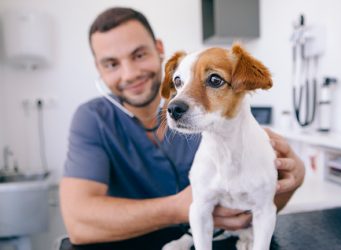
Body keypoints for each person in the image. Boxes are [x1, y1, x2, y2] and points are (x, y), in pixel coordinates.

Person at [60, 6, 305, 250]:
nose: (130, 73)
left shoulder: (227, 125)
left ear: (159, 50)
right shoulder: (93, 119)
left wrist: (295, 176)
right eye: (111, 64)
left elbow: (255, 207)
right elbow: (78, 225)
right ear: (98, 69)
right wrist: (180, 207)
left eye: (138, 55)